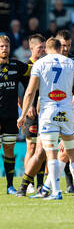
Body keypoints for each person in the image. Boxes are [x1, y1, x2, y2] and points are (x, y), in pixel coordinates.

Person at [17, 37, 74, 200]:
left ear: (48, 48)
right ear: (58, 47)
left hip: (49, 113)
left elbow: (30, 92)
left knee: (51, 153)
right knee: (73, 153)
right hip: (67, 112)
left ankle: (56, 192)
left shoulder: (40, 64)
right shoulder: (71, 64)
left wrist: (22, 115)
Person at [0, 35, 31, 194]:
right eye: (1, 46)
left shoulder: (16, 65)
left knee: (9, 150)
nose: (4, 49)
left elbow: (32, 74)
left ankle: (10, 186)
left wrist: (27, 100)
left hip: (11, 116)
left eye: (6, 46)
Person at [21, 34, 46, 194]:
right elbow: (20, 91)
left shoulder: (45, 65)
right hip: (31, 113)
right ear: (31, 48)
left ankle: (40, 183)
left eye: (44, 47)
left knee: (42, 148)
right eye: (40, 48)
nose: (43, 50)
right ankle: (28, 182)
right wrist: (25, 107)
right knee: (31, 147)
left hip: (44, 111)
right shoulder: (26, 67)